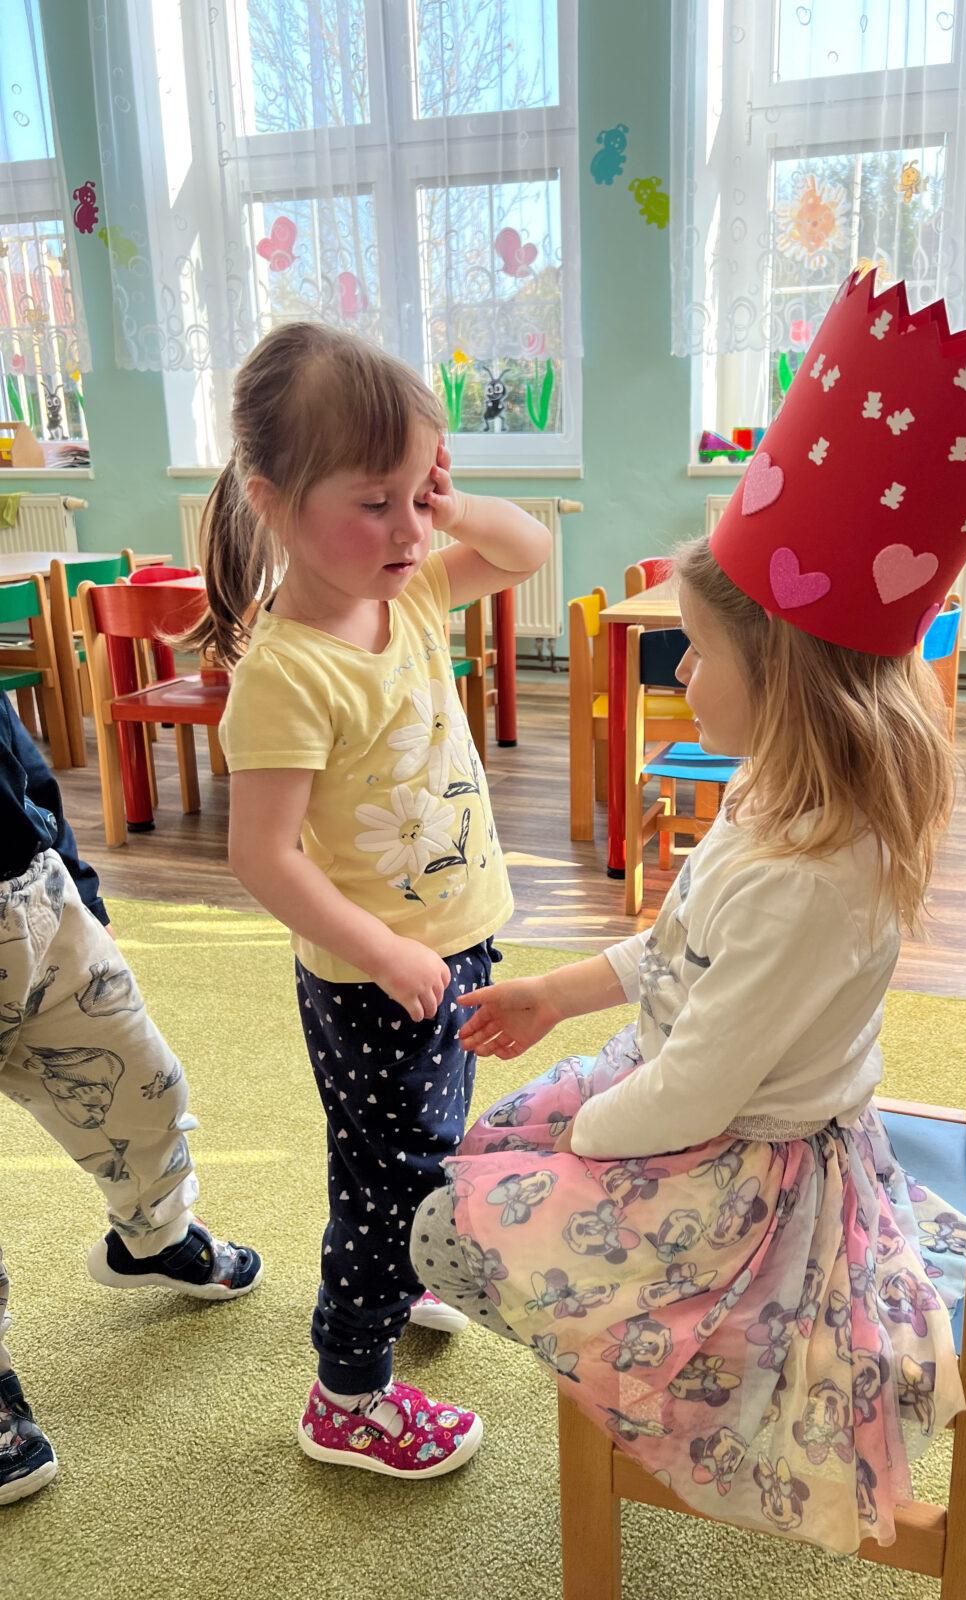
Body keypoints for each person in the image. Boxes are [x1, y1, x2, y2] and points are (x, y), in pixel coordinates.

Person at [413, 270, 966, 1552]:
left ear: (786, 679)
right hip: (710, 1095)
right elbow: (679, 951)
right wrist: (559, 995)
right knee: (496, 1146)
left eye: (700, 652)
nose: (680, 669)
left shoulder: (806, 876)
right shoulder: (781, 795)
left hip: (752, 1168)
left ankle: (693, 1380)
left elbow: (696, 1092)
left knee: (455, 1225)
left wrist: (584, 1142)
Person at [194, 322, 550, 1480]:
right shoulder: (287, 671)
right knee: (387, 1175)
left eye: (420, 495)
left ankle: (412, 1267)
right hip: (376, 982)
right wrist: (385, 952)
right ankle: (348, 1389)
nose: (408, 529)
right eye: (374, 503)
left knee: (431, 1143)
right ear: (274, 502)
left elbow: (530, 548)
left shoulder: (415, 591)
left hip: (454, 945)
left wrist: (450, 504)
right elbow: (263, 856)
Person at [0, 694, 261, 1507]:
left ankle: (153, 1237)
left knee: (146, 1087)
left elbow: (22, 759)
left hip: (32, 897)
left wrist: (77, 884)